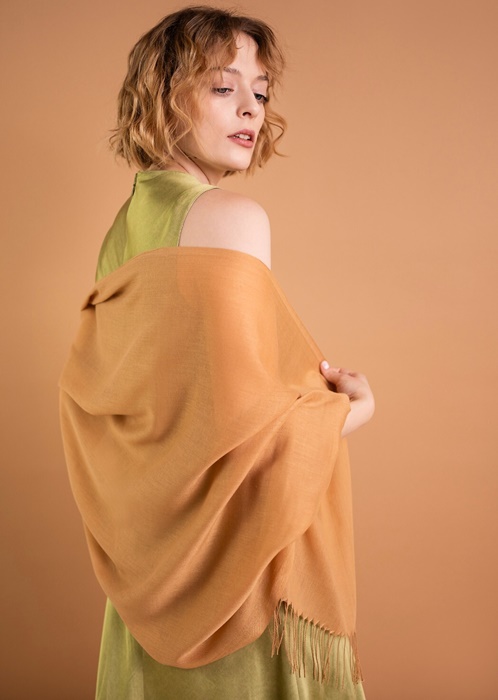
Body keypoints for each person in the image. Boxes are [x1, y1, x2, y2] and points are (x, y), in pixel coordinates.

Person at [59, 6, 375, 699]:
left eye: (260, 91)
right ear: (163, 97)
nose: (251, 110)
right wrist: (352, 410)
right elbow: (242, 436)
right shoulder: (231, 219)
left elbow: (154, 426)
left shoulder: (122, 233)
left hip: (147, 578)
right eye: (223, 87)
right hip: (233, 580)